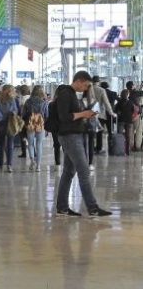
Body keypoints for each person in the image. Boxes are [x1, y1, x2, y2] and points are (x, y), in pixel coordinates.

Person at [55, 71, 112, 217]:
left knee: (68, 172)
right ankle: (92, 208)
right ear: (79, 81)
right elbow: (63, 117)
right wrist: (83, 114)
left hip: (74, 135)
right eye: (86, 85)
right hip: (70, 136)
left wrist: (86, 114)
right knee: (84, 171)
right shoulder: (66, 93)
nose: (86, 89)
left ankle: (62, 207)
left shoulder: (72, 94)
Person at [23, 85, 48, 172]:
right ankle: (38, 166)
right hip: (40, 124)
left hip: (30, 123)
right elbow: (46, 115)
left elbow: (23, 114)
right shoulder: (44, 102)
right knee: (39, 144)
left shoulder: (28, 101)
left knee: (30, 143)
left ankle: (32, 160)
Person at [91, 76, 115, 157]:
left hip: (90, 114)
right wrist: (111, 113)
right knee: (99, 132)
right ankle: (99, 148)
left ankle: (91, 148)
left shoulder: (88, 90)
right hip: (100, 114)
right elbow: (106, 103)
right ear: (98, 82)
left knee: (91, 132)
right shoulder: (101, 90)